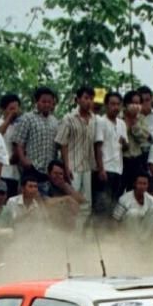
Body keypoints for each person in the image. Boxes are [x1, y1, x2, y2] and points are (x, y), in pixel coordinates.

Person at [55, 87, 97, 233]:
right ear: (77, 100)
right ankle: (70, 236)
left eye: (91, 98)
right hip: (72, 165)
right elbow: (62, 143)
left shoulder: (93, 119)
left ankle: (79, 236)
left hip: (87, 166)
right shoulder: (68, 119)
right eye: (85, 98)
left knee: (86, 204)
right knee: (72, 202)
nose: (88, 101)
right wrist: (66, 167)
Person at [13, 86, 59, 183]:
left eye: (49, 102)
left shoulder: (55, 121)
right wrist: (23, 160)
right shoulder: (27, 118)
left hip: (49, 171)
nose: (46, 104)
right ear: (37, 101)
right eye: (43, 101)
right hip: (32, 167)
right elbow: (18, 142)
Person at [94, 91, 127, 216]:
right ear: (106, 105)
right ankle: (100, 233)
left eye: (118, 104)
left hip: (118, 169)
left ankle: (109, 233)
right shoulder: (101, 121)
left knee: (113, 203)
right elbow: (98, 146)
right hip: (105, 168)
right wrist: (101, 169)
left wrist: (124, 143)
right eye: (112, 104)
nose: (116, 107)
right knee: (102, 203)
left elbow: (125, 147)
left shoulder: (122, 123)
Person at [113, 172, 153, 238]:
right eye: (140, 183)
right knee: (133, 213)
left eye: (144, 184)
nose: (142, 186)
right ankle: (133, 242)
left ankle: (144, 240)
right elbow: (115, 220)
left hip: (143, 231)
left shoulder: (151, 200)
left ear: (147, 185)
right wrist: (116, 236)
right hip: (127, 232)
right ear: (135, 184)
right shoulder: (124, 199)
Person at [121, 90, 151, 193]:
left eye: (138, 103)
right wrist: (127, 123)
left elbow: (144, 138)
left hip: (136, 158)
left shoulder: (141, 119)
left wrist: (134, 123)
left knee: (133, 190)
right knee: (120, 188)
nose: (136, 106)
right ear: (126, 104)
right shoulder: (119, 118)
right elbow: (119, 136)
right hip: (121, 158)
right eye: (133, 103)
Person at [0, 93, 22, 198]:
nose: (15, 112)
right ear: (3, 110)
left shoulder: (19, 125)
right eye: (11, 109)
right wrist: (9, 119)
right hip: (0, 173)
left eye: (16, 108)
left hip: (14, 174)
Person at [40, 159, 83, 228]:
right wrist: (66, 198)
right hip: (49, 225)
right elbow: (46, 202)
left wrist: (65, 187)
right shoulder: (44, 186)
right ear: (49, 173)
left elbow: (81, 200)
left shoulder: (65, 186)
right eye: (55, 173)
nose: (58, 176)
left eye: (61, 174)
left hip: (66, 224)